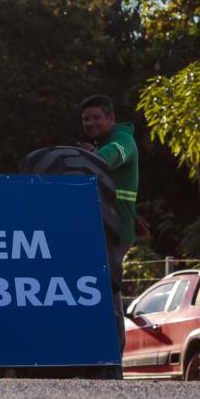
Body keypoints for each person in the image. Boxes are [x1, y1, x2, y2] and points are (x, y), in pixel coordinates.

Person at [77, 94, 139, 352]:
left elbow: (109, 158)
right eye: (86, 119)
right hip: (101, 228)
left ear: (111, 118)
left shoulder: (123, 140)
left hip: (116, 231)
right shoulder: (101, 144)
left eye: (96, 118)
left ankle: (112, 352)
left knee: (106, 290)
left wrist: (90, 158)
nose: (90, 123)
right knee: (97, 288)